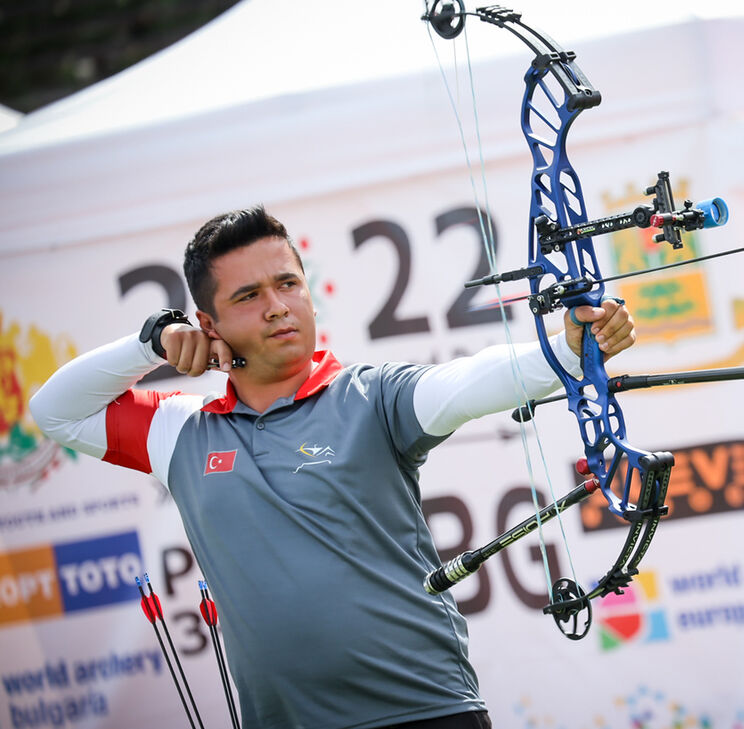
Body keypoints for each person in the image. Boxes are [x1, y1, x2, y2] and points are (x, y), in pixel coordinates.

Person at [29, 206, 636, 729]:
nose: (278, 308)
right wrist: (151, 342)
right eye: (249, 296)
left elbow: (470, 381)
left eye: (288, 284)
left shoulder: (372, 397)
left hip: (426, 712)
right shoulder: (181, 430)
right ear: (207, 326)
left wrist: (568, 350)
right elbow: (54, 411)